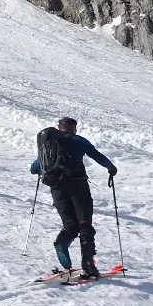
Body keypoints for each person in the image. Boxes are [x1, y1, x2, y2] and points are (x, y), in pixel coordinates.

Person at [32, 117, 116, 278]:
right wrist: (111, 168)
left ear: (59, 127)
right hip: (78, 187)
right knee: (84, 224)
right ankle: (88, 264)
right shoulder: (78, 140)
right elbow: (97, 156)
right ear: (73, 128)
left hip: (57, 189)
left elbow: (34, 168)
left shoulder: (50, 146)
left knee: (70, 225)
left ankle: (62, 242)